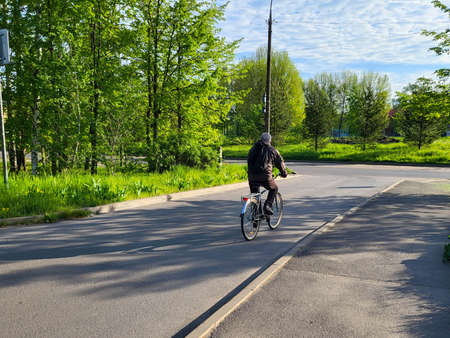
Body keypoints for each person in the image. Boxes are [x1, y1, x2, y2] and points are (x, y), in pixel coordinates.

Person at [247, 132, 287, 215]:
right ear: (269, 140)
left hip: (251, 177)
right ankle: (267, 206)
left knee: (255, 196)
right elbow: (280, 163)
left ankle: (256, 217)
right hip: (265, 177)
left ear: (261, 139)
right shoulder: (272, 150)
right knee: (274, 188)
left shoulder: (253, 148)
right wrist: (284, 173)